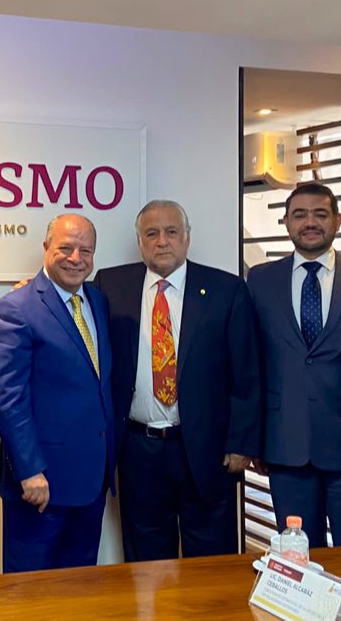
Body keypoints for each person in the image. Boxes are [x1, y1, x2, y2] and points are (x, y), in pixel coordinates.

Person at [92, 200, 261, 561]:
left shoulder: (226, 289)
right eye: (151, 233)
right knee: (147, 564)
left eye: (171, 232)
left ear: (187, 237)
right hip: (139, 449)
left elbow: (246, 372)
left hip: (208, 450)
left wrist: (242, 443)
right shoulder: (111, 284)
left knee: (211, 561)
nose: (162, 241)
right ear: (140, 241)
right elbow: (74, 308)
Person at [247, 183, 341, 549]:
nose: (309, 222)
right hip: (286, 448)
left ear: (337, 221)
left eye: (320, 214)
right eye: (299, 215)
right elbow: (253, 365)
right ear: (285, 222)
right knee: (299, 565)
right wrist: (254, 439)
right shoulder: (261, 280)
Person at [0, 213, 114, 573]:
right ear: (46, 248)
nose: (76, 258)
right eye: (66, 248)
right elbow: (8, 398)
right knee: (28, 593)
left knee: (79, 588)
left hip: (91, 483)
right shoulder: (17, 308)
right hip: (40, 485)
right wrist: (29, 470)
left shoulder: (97, 301)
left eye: (86, 251)